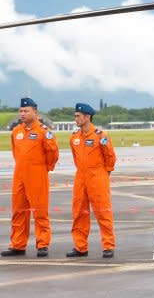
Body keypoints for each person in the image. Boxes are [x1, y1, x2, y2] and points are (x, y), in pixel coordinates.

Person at [2, 98, 59, 258]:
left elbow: (52, 152)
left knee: (40, 210)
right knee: (18, 211)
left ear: (35, 112)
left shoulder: (43, 131)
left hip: (37, 174)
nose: (22, 114)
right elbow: (15, 152)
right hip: (19, 174)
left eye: (26, 111)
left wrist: (45, 168)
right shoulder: (17, 131)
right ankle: (18, 245)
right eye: (21, 111)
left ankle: (42, 244)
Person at [67, 103, 117, 258]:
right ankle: (80, 247)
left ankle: (108, 246)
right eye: (75, 116)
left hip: (98, 177)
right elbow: (76, 159)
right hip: (81, 177)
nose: (75, 119)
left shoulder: (100, 135)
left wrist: (104, 173)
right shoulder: (74, 137)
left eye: (78, 116)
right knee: (79, 213)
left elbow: (110, 156)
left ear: (87, 117)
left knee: (103, 212)